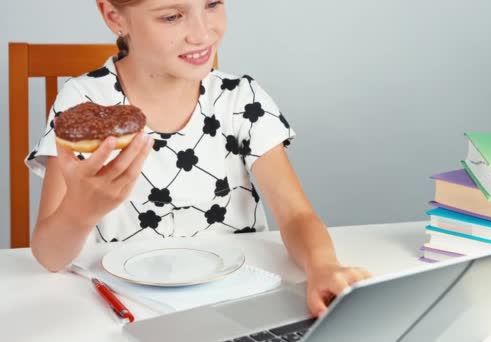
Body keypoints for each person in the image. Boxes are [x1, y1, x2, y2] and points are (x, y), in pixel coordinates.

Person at [25, 0, 372, 317]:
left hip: (238, 302)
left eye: (212, 4)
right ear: (114, 16)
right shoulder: (84, 102)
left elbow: (296, 215)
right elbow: (50, 257)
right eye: (172, 16)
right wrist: (78, 212)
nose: (202, 33)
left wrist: (323, 266)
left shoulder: (241, 99)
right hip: (125, 310)